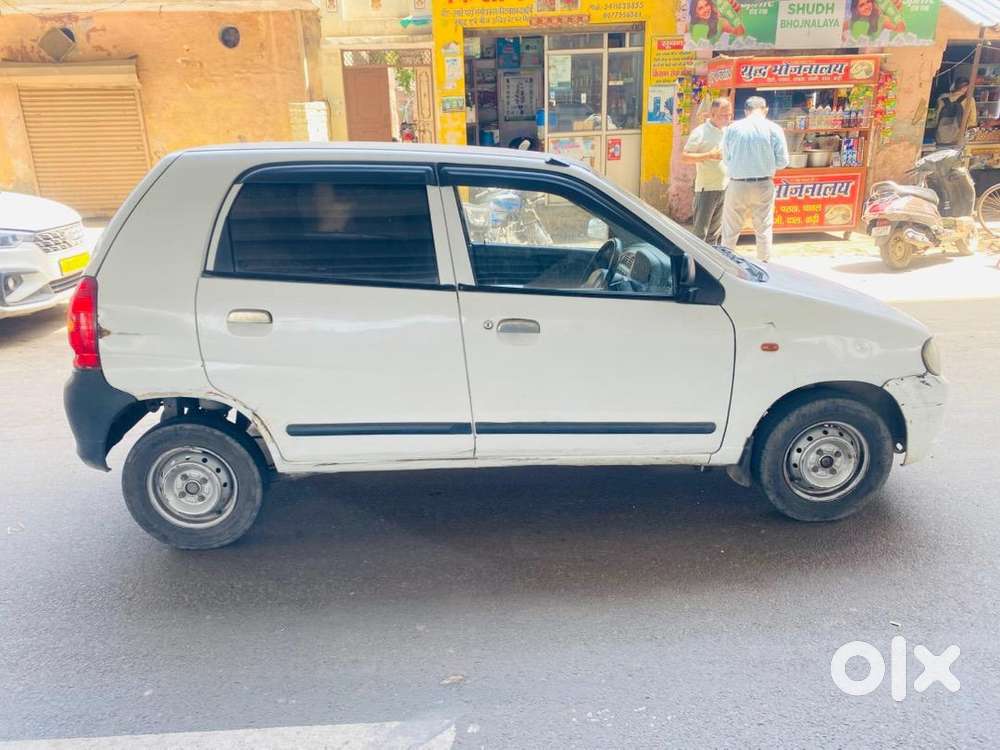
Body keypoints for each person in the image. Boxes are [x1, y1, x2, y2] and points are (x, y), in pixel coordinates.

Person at [720, 96, 789, 262]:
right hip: (763, 184)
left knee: (730, 229)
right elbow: (783, 161)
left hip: (737, 184)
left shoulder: (733, 128)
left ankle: (725, 263)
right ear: (765, 110)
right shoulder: (774, 128)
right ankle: (764, 263)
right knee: (764, 227)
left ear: (746, 111)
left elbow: (726, 158)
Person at [682, 97, 732, 244]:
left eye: (729, 115)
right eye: (723, 115)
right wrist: (709, 155)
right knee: (700, 233)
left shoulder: (728, 132)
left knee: (714, 234)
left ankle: (711, 263)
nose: (727, 118)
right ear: (712, 114)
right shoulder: (701, 132)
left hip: (724, 187)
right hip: (706, 189)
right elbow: (685, 157)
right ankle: (695, 264)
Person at [935, 77, 977, 148]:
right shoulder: (969, 99)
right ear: (965, 87)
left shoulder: (941, 98)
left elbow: (936, 118)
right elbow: (972, 120)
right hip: (958, 138)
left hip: (941, 137)